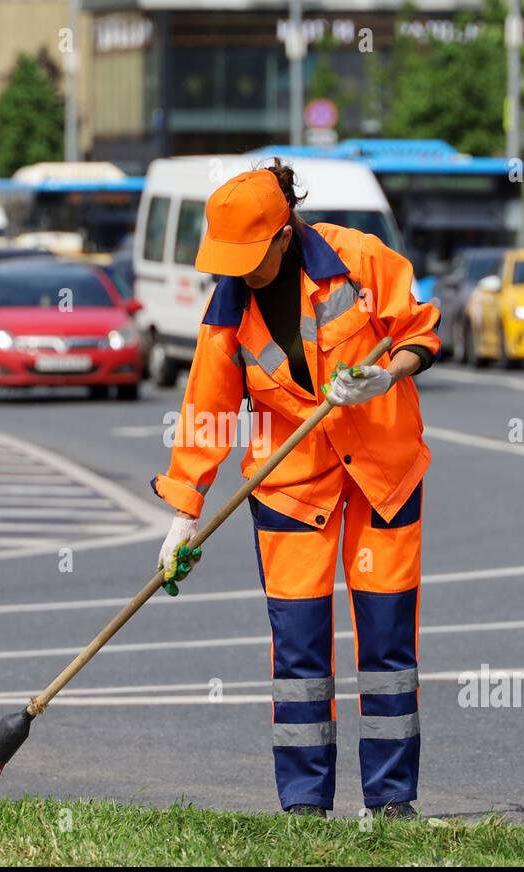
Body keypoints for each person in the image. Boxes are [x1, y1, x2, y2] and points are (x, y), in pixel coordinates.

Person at [150, 160, 441, 818]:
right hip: (289, 484)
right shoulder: (227, 307)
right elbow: (208, 410)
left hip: (381, 472)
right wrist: (183, 514)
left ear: (285, 235)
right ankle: (305, 807)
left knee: (388, 641)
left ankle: (391, 802)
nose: (239, 270)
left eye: (249, 256)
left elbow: (420, 332)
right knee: (300, 647)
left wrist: (385, 377)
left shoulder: (358, 258)